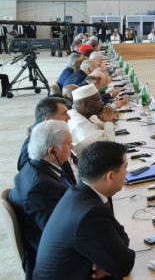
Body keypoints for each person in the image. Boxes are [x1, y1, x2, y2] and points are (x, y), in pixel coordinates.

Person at [34, 141, 135, 280]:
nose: (126, 173)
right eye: (125, 168)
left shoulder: (77, 192)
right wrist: (111, 262)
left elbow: (120, 234)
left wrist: (107, 262)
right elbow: (124, 265)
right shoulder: (91, 214)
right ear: (110, 176)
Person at [9, 120, 73, 279]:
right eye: (68, 143)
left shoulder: (33, 168)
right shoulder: (41, 188)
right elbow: (60, 236)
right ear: (53, 150)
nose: (72, 147)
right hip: (57, 266)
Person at [18, 97, 74, 177]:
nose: (69, 117)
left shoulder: (51, 135)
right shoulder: (34, 145)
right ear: (48, 119)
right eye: (64, 113)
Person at [67, 85, 115, 156]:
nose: (102, 103)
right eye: (99, 101)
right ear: (85, 105)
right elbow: (109, 146)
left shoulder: (76, 112)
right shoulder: (80, 125)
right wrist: (108, 121)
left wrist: (104, 120)